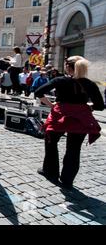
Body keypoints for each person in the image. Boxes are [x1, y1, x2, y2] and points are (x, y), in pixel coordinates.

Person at [35, 56, 104, 189]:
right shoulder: (90, 83)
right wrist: (88, 107)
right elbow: (100, 105)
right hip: (81, 118)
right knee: (74, 149)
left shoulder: (60, 80)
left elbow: (38, 92)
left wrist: (51, 105)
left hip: (60, 116)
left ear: (68, 67)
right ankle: (67, 180)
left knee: (51, 142)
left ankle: (50, 171)